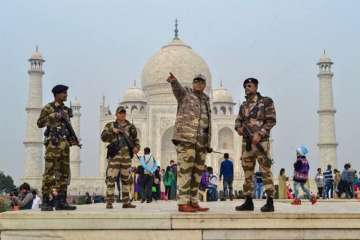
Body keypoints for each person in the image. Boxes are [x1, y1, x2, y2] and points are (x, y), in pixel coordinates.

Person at [167, 72, 211, 212]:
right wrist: (174, 82)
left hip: (201, 143)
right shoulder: (186, 94)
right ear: (193, 84)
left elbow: (207, 123)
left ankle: (193, 201)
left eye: (201, 82)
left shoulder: (206, 99)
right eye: (196, 82)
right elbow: (178, 91)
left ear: (204, 85)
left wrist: (207, 144)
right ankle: (182, 203)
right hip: (186, 140)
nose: (198, 84)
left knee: (197, 174)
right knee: (185, 171)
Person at [234, 78, 277, 212]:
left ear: (256, 87)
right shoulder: (243, 106)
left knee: (265, 171)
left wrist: (260, 133)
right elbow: (238, 121)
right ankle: (248, 201)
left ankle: (270, 202)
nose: (247, 88)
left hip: (261, 143)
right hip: (247, 144)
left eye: (250, 85)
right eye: (245, 86)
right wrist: (239, 128)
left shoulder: (265, 102)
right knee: (247, 173)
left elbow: (271, 120)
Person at [37, 84, 79, 211]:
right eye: (64, 93)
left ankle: (61, 201)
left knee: (64, 174)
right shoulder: (48, 108)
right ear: (57, 94)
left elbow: (68, 127)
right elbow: (39, 123)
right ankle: (46, 201)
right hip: (53, 145)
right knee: (49, 173)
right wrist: (52, 116)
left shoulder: (66, 110)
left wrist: (72, 139)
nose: (66, 95)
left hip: (64, 145)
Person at [101, 106, 140, 209]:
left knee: (126, 179)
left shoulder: (131, 127)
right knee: (111, 179)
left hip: (126, 157)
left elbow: (136, 140)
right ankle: (109, 201)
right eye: (120, 113)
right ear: (116, 114)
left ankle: (126, 202)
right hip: (114, 156)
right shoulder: (110, 125)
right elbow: (103, 137)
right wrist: (113, 131)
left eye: (123, 113)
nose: (122, 115)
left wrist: (137, 148)